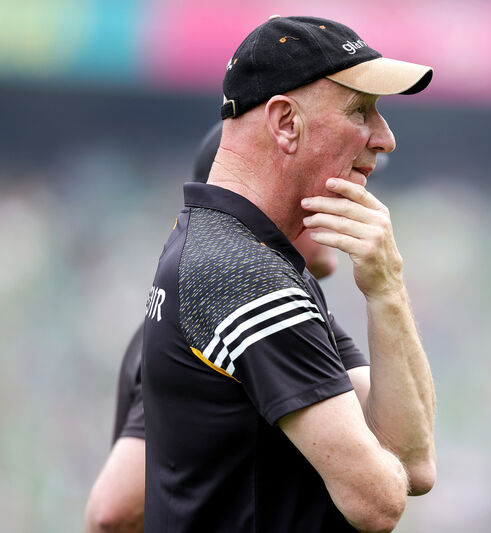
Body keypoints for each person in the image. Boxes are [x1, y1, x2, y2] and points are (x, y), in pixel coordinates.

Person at [141, 15, 436, 533]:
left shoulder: (248, 256)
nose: (385, 138)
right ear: (285, 122)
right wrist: (372, 456)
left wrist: (386, 288)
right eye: (360, 110)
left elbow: (415, 464)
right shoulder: (242, 275)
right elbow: (378, 502)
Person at [84, 122, 346, 532]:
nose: (337, 207)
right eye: (320, 193)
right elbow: (112, 511)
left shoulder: (263, 311)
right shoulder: (212, 317)